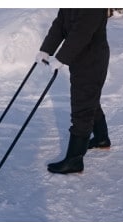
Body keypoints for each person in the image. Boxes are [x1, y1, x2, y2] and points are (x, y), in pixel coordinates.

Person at [36, 9, 111, 174]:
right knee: (89, 99)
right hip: (80, 59)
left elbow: (81, 33)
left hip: (92, 60)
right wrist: (46, 49)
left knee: (82, 106)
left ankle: (75, 160)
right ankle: (101, 138)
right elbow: (61, 24)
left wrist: (61, 57)